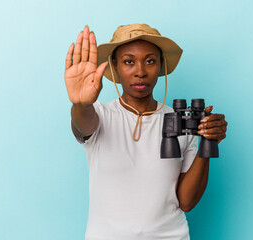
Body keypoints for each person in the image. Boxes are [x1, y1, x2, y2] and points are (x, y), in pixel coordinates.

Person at [64, 23, 227, 240]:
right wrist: (81, 104)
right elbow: (82, 124)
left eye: (150, 61)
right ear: (114, 66)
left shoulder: (178, 121)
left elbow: (186, 201)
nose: (140, 72)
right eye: (129, 61)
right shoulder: (101, 115)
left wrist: (209, 142)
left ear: (161, 66)